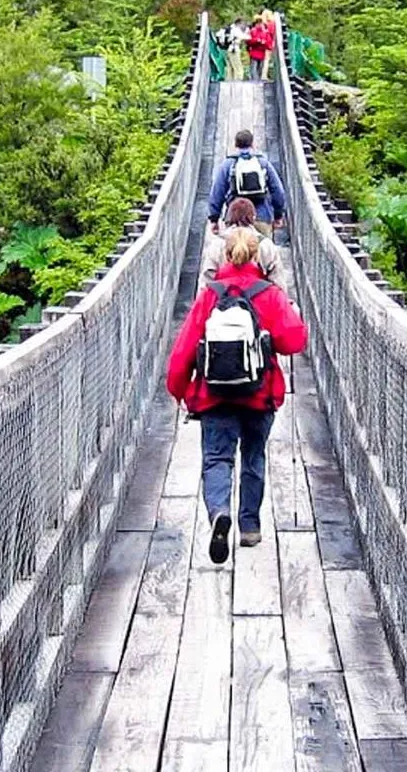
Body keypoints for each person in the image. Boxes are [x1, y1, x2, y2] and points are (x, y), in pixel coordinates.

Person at [166, 227, 308, 563]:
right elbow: (294, 341)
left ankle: (219, 512)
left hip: (215, 395)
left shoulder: (209, 296)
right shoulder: (269, 294)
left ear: (225, 256)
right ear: (257, 255)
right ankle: (249, 526)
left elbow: (184, 349)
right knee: (253, 456)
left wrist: (180, 390)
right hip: (260, 395)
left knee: (217, 458)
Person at [208, 129, 286, 236]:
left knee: (234, 251)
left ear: (235, 145)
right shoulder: (263, 163)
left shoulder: (228, 165)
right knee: (264, 250)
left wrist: (214, 219)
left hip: (234, 220)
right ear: (253, 144)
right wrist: (278, 215)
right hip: (261, 217)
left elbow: (217, 192)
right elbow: (278, 191)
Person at [203, 197, 291, 292]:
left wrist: (213, 218)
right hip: (258, 302)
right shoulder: (266, 244)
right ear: (253, 217)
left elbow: (206, 281)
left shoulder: (217, 244)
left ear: (229, 217)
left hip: (223, 302)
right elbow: (278, 282)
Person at [246, 13, 275, 81]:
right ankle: (254, 80)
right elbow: (248, 41)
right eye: (258, 23)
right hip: (254, 52)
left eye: (260, 23)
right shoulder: (252, 31)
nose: (259, 25)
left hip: (262, 52)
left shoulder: (265, 33)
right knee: (254, 67)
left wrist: (264, 42)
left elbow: (269, 43)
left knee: (260, 67)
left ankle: (258, 80)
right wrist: (257, 41)